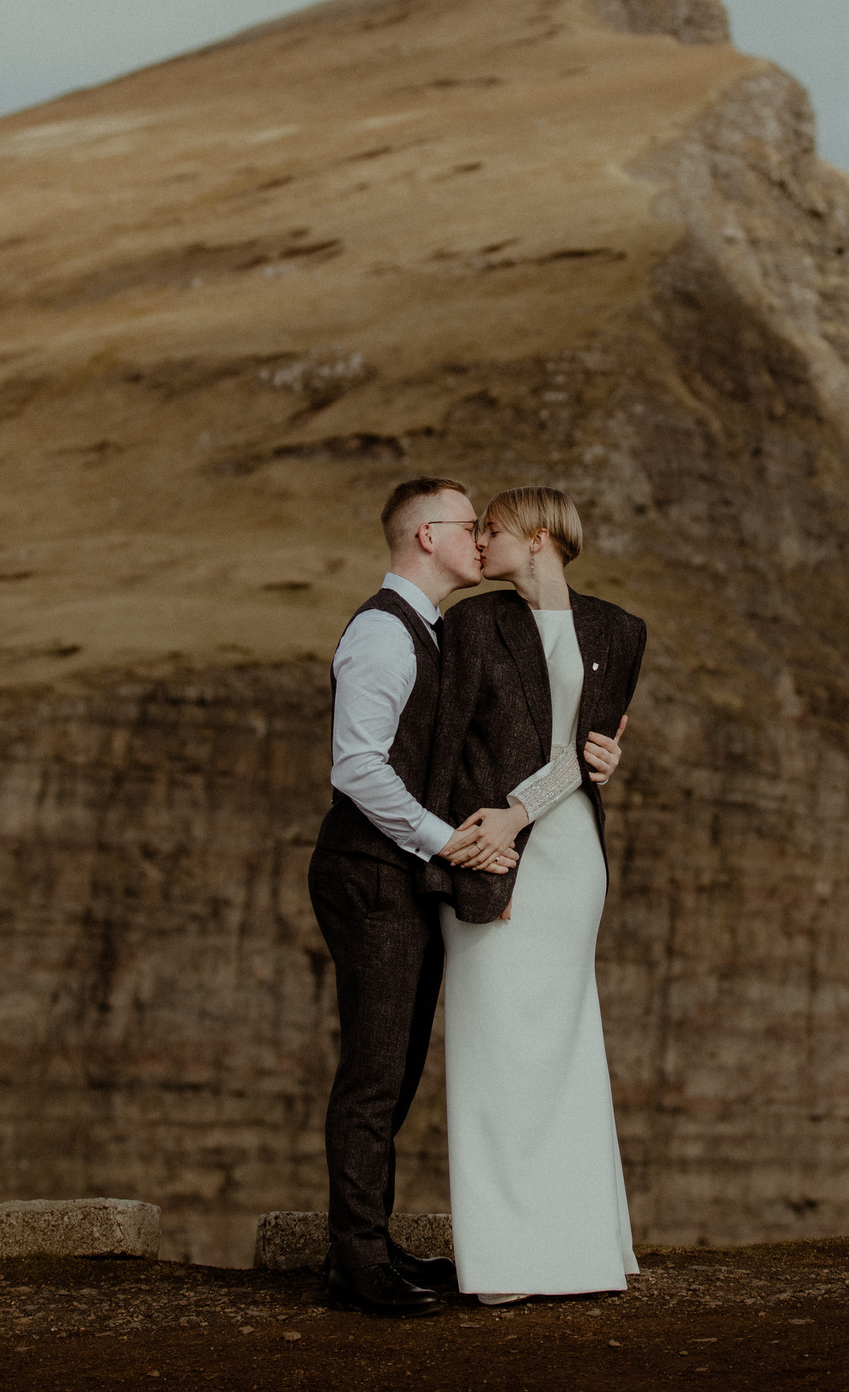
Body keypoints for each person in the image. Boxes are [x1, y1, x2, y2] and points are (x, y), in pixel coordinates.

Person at [422, 485, 644, 1304]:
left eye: (493, 529)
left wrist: (526, 812)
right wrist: (462, 858)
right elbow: (442, 755)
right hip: (485, 852)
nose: (478, 541)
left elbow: (587, 757)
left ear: (540, 536)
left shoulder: (621, 631)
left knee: (566, 1048)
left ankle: (581, 1251)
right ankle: (507, 1262)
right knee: (491, 1053)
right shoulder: (473, 625)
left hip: (567, 855)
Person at [309, 476, 518, 1318]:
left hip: (400, 876)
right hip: (370, 875)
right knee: (373, 1073)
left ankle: (369, 1242)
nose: (482, 538)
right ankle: (356, 1265)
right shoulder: (382, 634)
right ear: (427, 535)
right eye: (472, 525)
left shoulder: (430, 632)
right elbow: (356, 765)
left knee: (393, 1073)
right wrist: (445, 840)